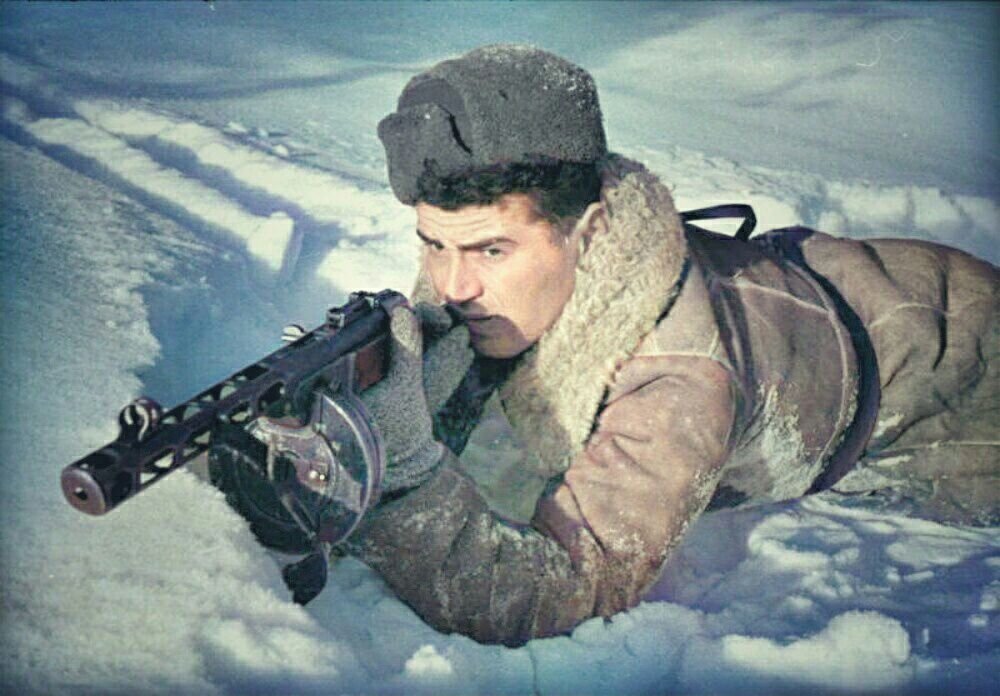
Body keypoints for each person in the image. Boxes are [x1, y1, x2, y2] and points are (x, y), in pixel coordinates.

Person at [214, 45, 999, 647]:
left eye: (491, 250)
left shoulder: (681, 383)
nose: (451, 285)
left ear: (588, 233)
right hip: (819, 286)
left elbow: (562, 593)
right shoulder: (520, 266)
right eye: (433, 244)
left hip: (949, 365)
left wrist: (408, 471)